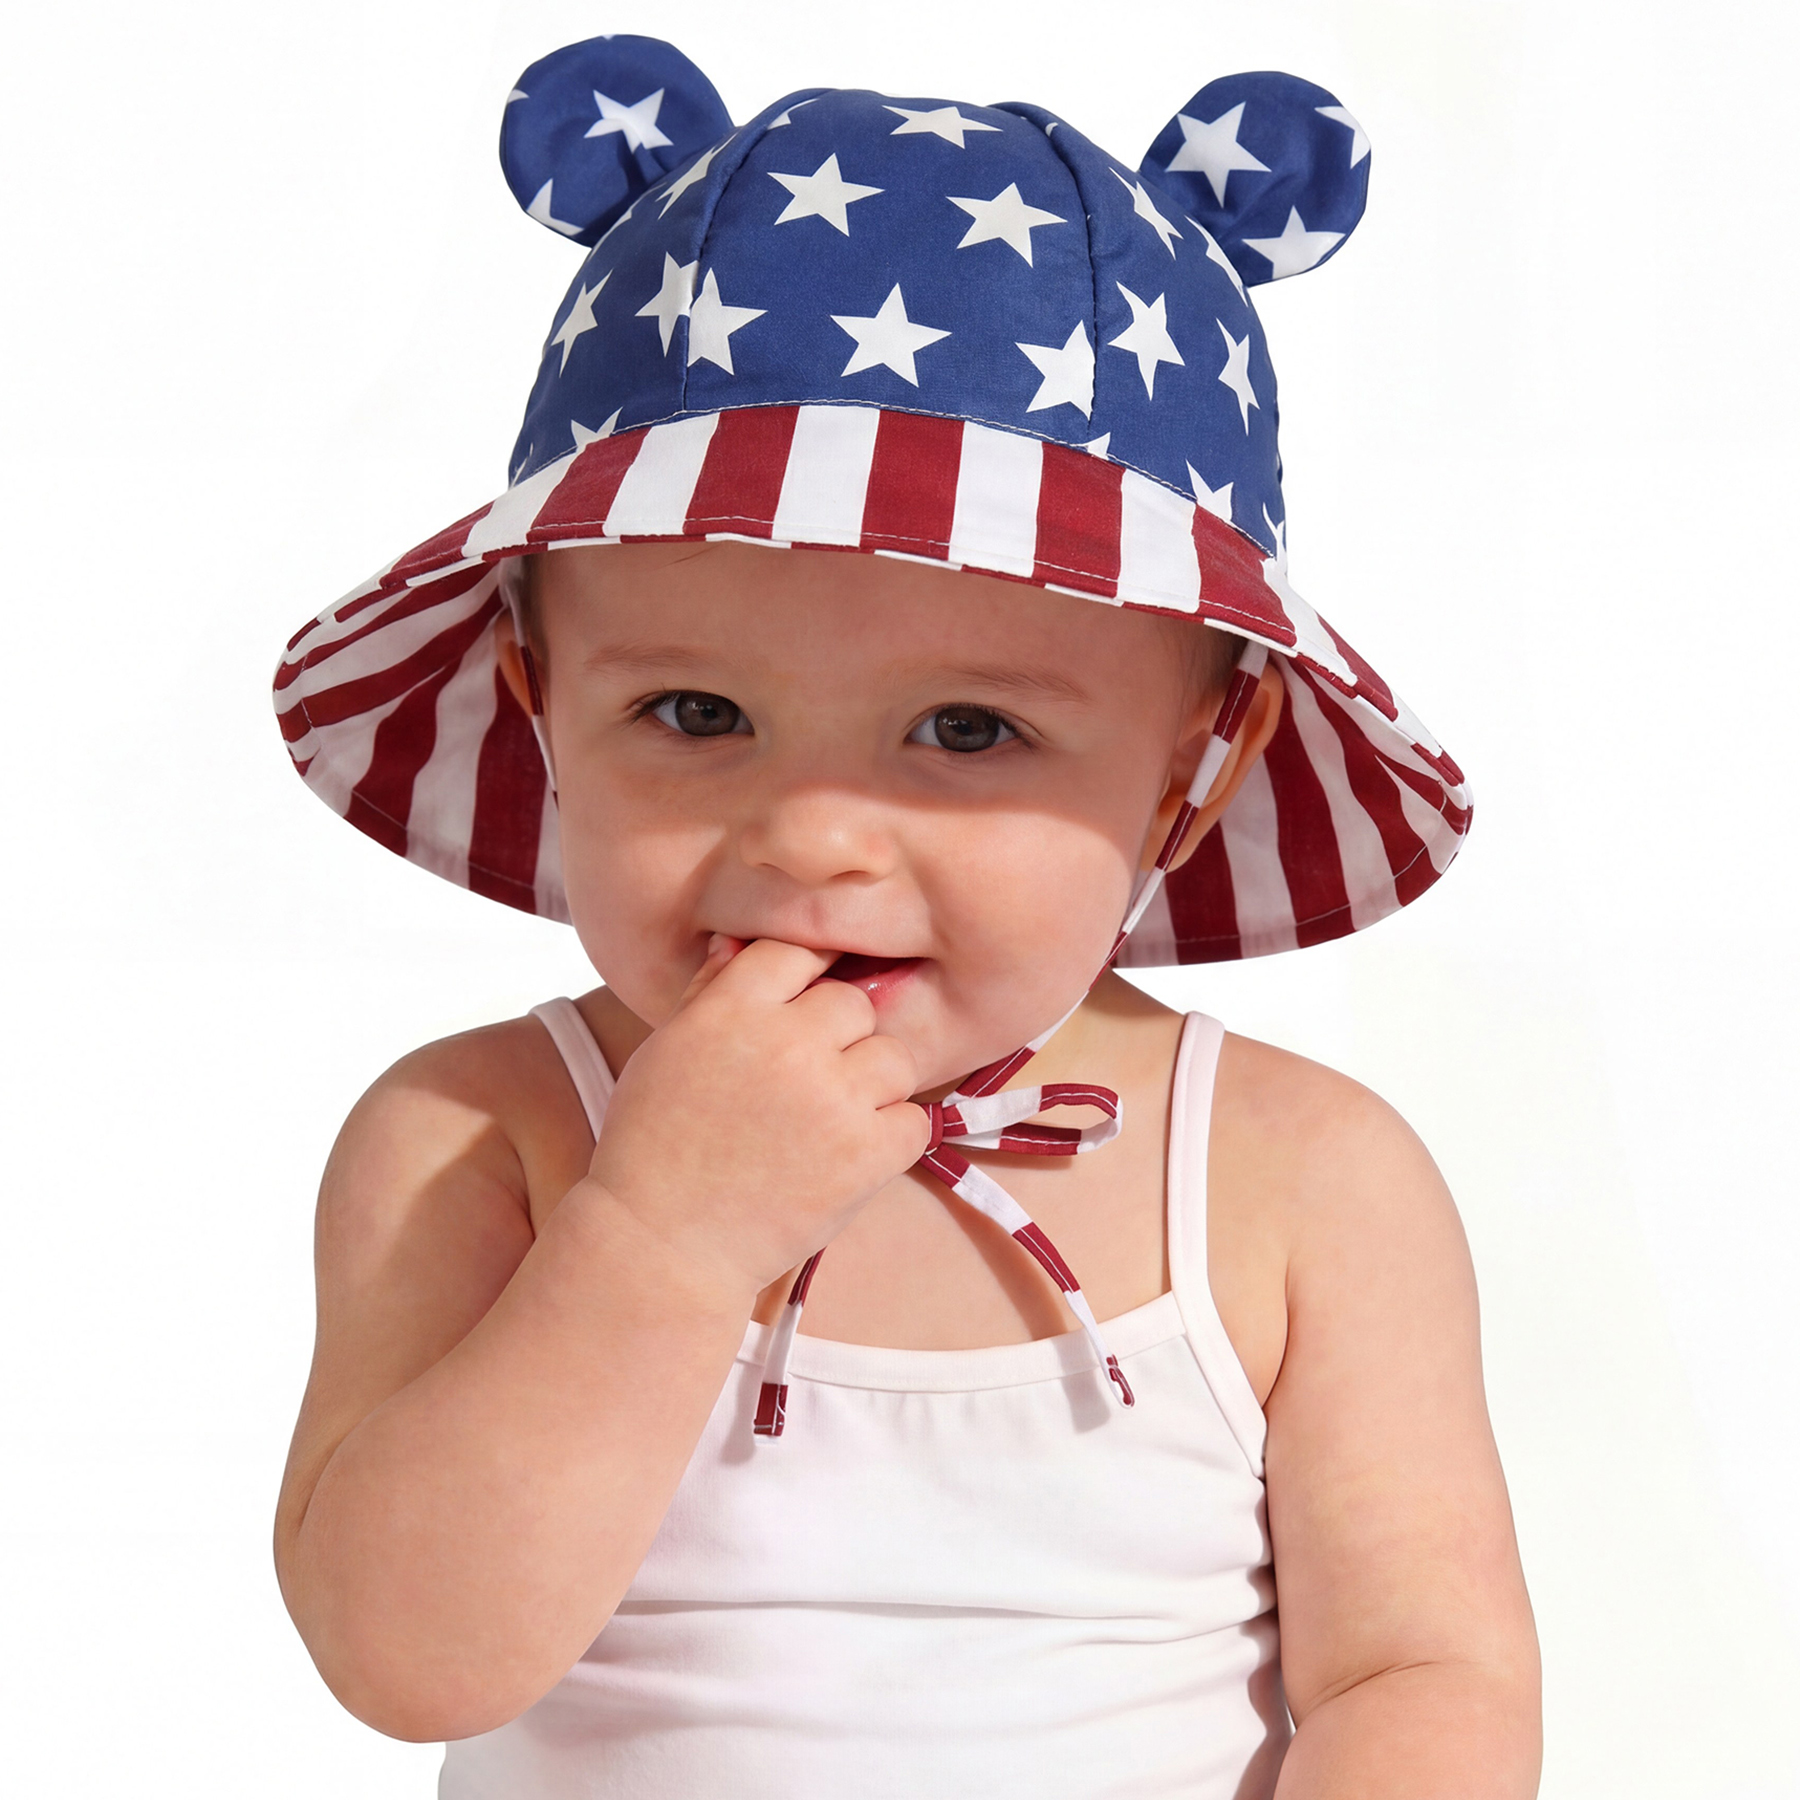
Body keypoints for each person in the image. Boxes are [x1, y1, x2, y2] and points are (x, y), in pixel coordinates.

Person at [271, 33, 1541, 1798]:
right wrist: (657, 1235)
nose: (811, 836)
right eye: (694, 713)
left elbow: (1424, 1668)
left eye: (967, 730)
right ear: (542, 702)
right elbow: (409, 1661)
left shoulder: (1298, 1180)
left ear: (1197, 761)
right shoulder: (480, 1141)